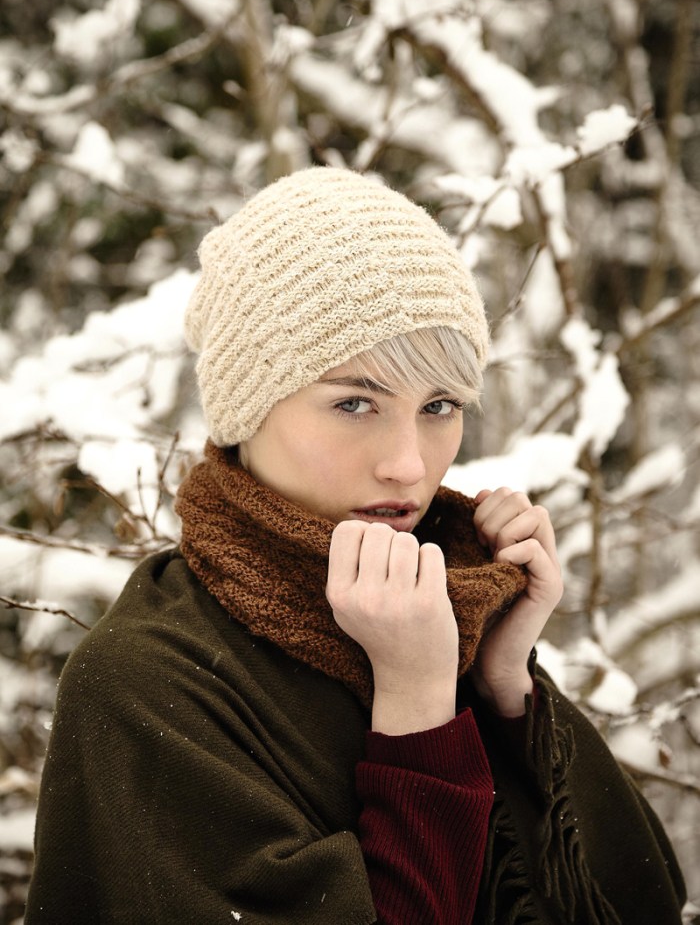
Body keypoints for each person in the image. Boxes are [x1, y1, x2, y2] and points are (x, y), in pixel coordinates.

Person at [25, 167, 686, 925]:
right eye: (354, 402)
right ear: (246, 408)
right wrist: (416, 706)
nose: (408, 463)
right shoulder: (148, 681)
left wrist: (507, 690)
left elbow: (644, 897)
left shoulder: (450, 609)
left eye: (439, 405)